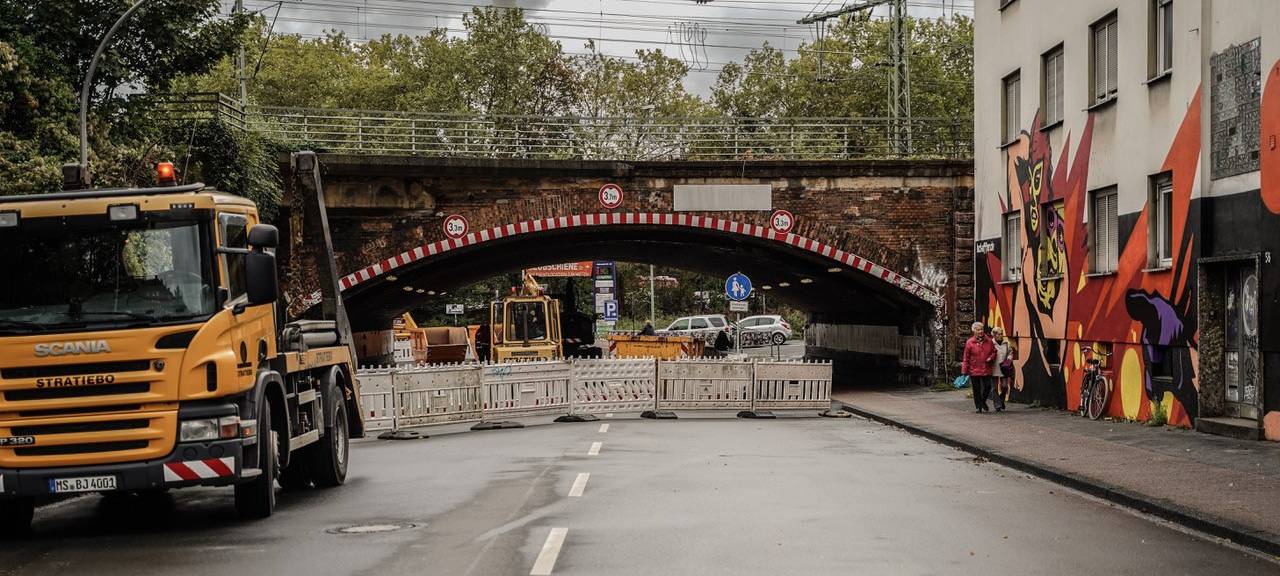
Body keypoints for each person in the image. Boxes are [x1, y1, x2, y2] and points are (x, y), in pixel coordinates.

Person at [960, 321, 996, 413]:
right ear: (974, 331)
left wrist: (991, 358)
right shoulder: (970, 342)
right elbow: (966, 357)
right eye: (978, 329)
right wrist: (964, 371)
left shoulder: (989, 341)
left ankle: (983, 401)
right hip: (974, 368)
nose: (981, 331)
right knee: (976, 388)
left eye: (982, 329)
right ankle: (978, 407)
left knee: (988, 386)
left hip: (986, 367)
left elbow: (994, 352)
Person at [991, 326, 1012, 412]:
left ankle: (1001, 400)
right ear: (994, 335)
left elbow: (1010, 352)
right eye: (999, 334)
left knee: (1004, 386)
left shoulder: (1006, 343)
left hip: (1004, 367)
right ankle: (997, 405)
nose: (1001, 336)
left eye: (1002, 334)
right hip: (994, 367)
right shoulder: (990, 343)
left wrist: (1009, 359)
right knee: (994, 388)